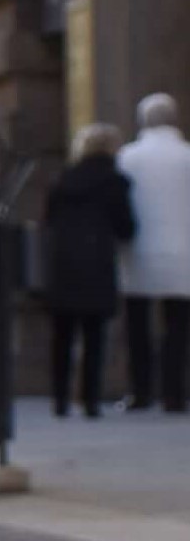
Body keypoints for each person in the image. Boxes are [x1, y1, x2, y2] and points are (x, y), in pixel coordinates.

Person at [43, 123, 136, 419]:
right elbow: (126, 227)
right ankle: (90, 401)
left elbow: (48, 221)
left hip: (63, 263)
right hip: (97, 262)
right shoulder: (115, 181)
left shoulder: (62, 179)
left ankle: (59, 399)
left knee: (61, 336)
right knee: (95, 337)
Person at [116, 93, 190, 413]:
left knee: (137, 329)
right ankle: (174, 394)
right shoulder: (187, 156)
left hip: (138, 252)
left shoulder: (127, 157)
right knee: (178, 329)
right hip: (181, 251)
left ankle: (141, 391)